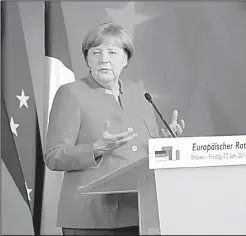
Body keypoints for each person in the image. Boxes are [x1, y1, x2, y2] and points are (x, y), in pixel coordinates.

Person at [44, 22, 185, 235]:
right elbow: (53, 156)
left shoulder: (139, 93)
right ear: (87, 59)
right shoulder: (70, 94)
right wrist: (95, 149)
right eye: (96, 53)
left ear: (126, 59)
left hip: (141, 212)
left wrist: (166, 143)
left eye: (112, 52)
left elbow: (146, 156)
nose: (103, 59)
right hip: (91, 217)